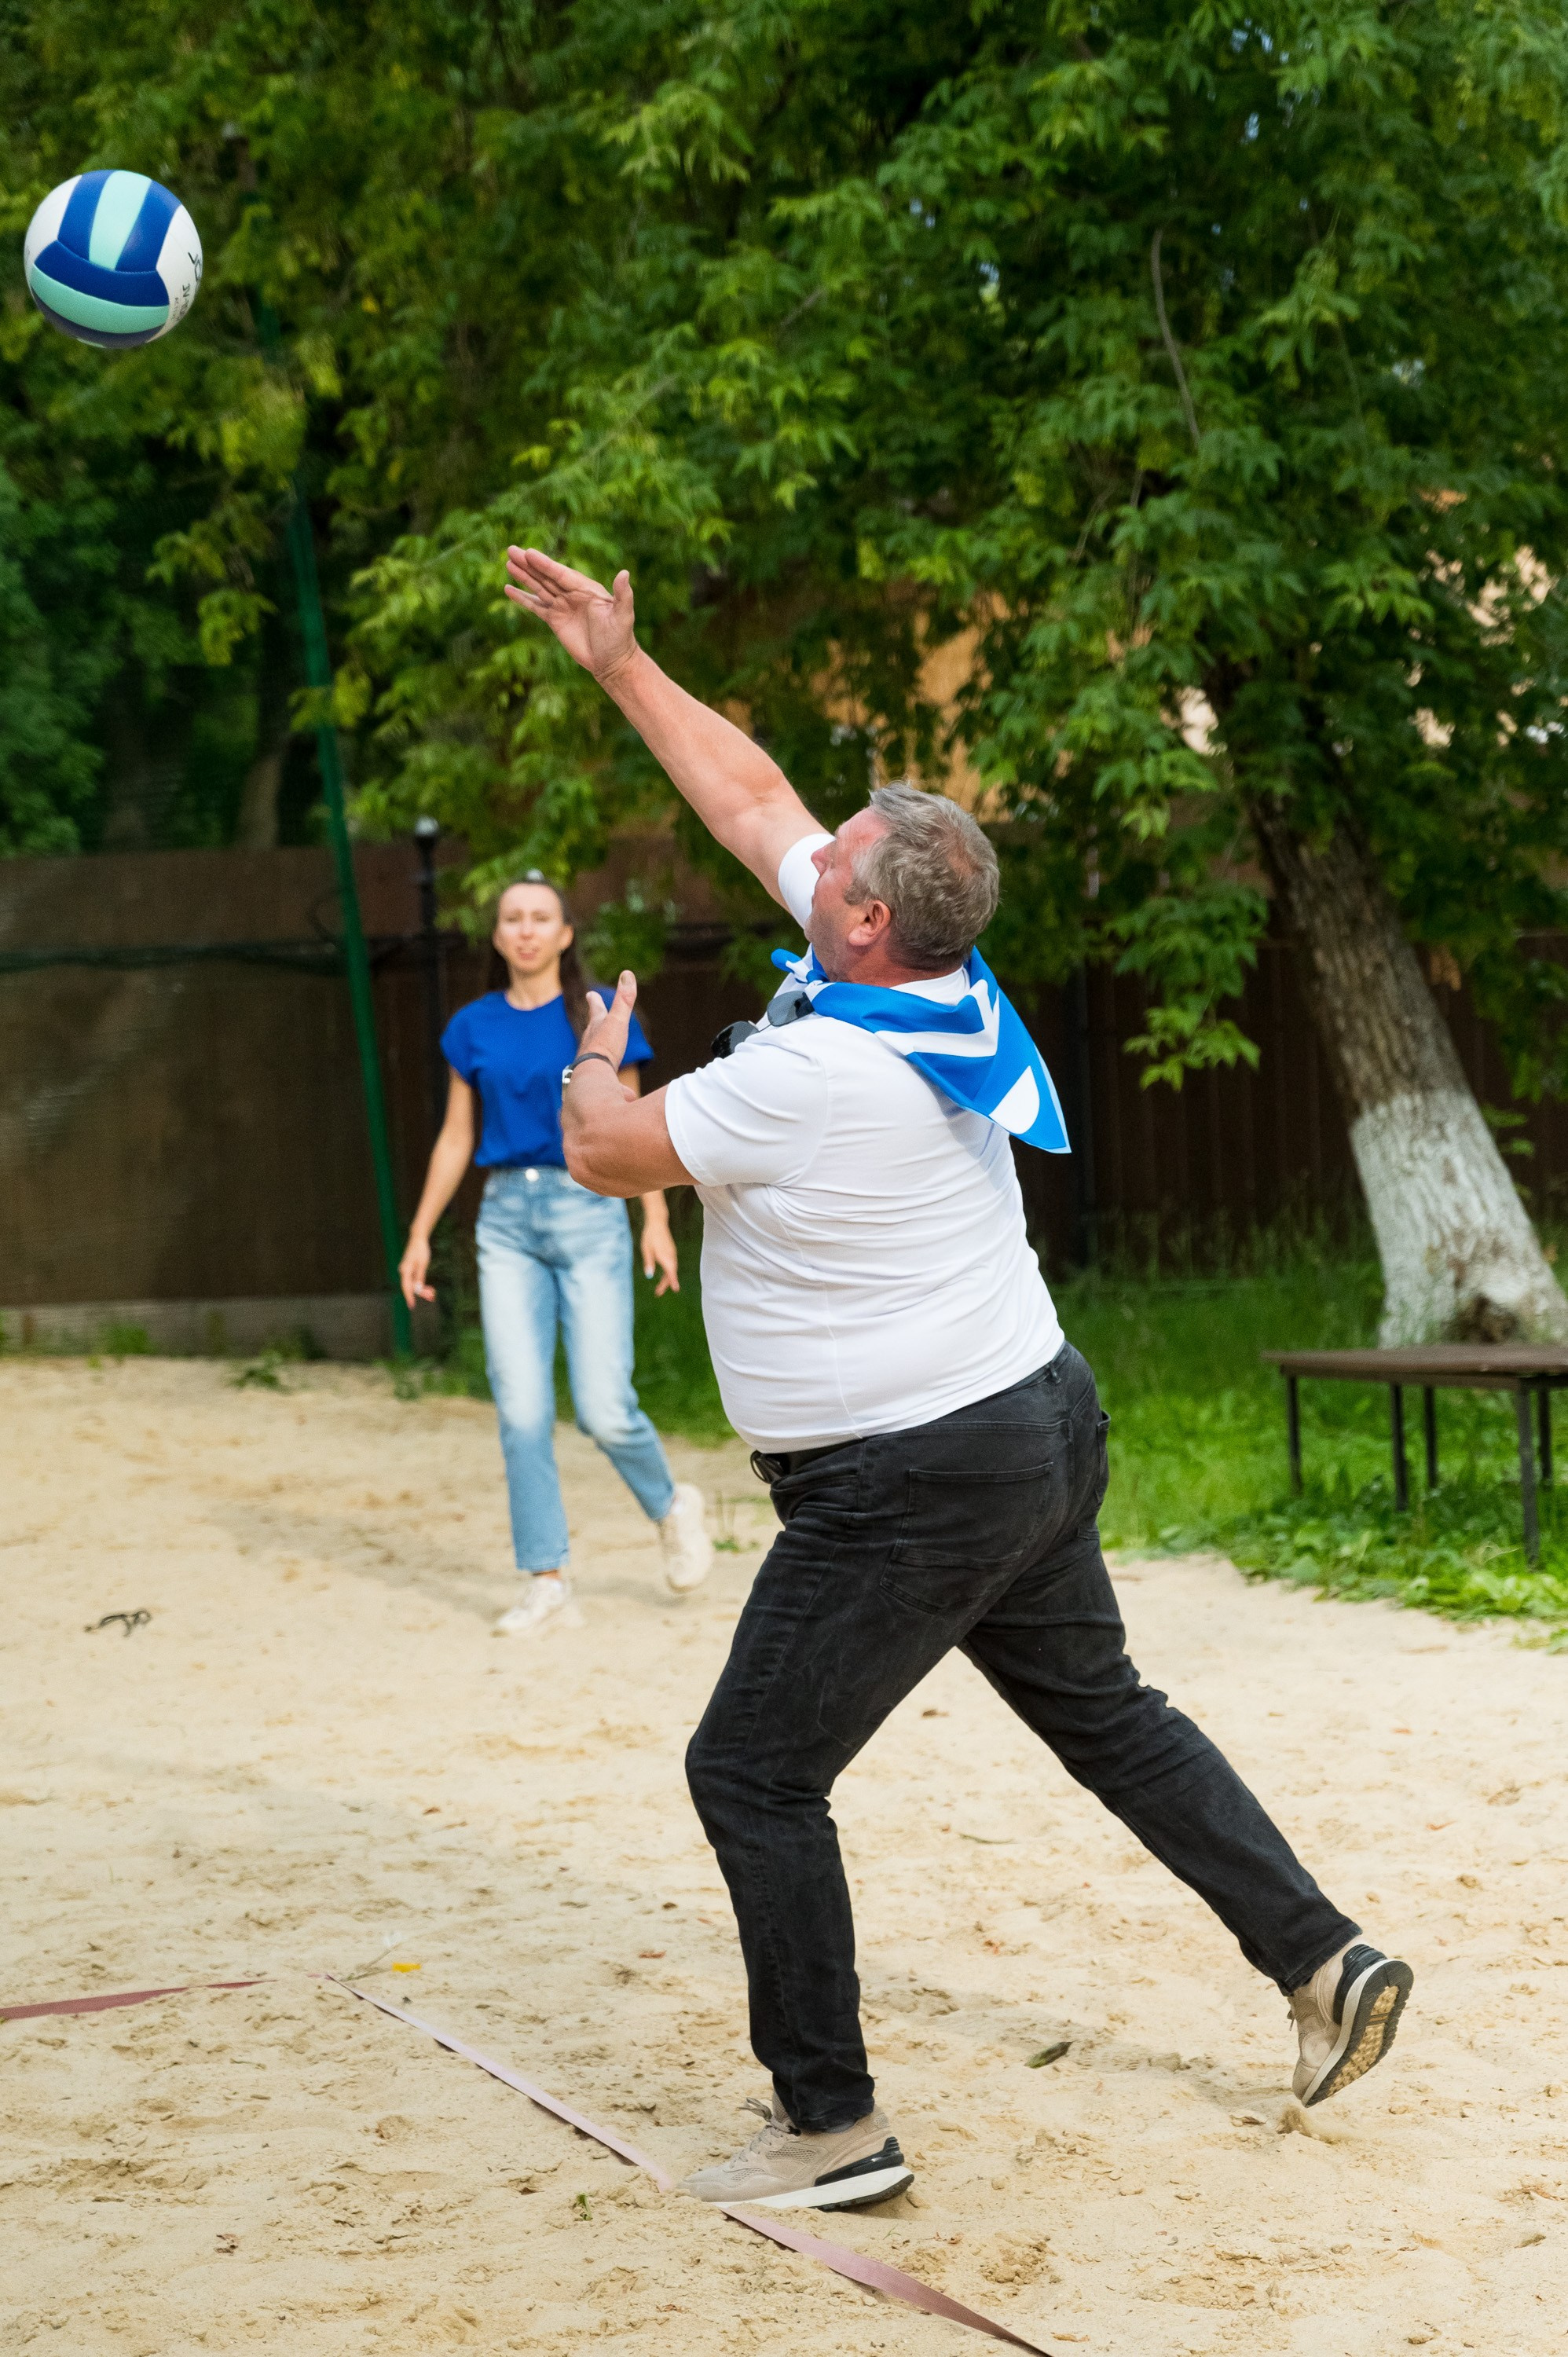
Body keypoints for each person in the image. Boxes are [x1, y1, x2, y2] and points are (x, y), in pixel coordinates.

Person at [505, 546, 1413, 2214]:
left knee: (752, 1773)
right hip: (1026, 1421)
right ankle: (1319, 1959)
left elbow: (603, 1150)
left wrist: (586, 1045)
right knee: (1110, 1720)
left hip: (910, 1478)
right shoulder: (933, 978)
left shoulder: (819, 1072)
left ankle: (830, 2127)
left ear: (861, 914)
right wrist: (616, 660)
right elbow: (751, 790)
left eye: (833, 859)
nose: (810, 848)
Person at [398, 871, 711, 1633]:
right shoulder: (471, 1026)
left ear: (565, 934)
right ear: (499, 936)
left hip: (589, 1209)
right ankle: (544, 1576)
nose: (528, 929)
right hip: (505, 1221)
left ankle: (671, 1504)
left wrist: (656, 1222)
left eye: (542, 917)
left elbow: (629, 1123)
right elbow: (456, 1135)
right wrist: (418, 1233)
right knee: (521, 1411)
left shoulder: (595, 1016)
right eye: (513, 918)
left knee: (604, 1408)